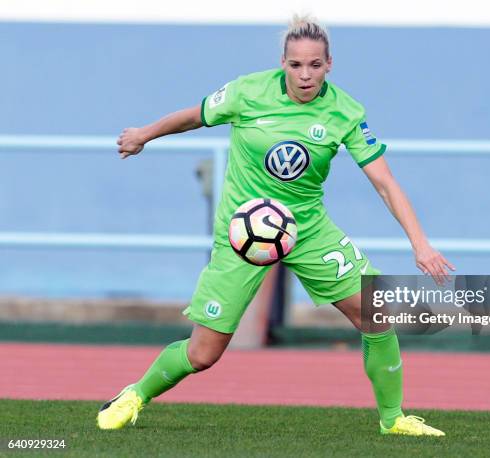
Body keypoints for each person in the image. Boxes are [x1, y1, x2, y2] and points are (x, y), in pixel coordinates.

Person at [97, 16, 455, 436]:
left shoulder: (345, 112)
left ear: (329, 65)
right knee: (203, 354)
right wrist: (144, 134)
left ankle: (394, 420)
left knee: (376, 313)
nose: (305, 75)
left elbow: (385, 182)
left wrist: (421, 245)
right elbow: (193, 116)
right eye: (296, 65)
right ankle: (136, 394)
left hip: (307, 229)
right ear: (282, 63)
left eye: (315, 65)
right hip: (244, 235)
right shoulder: (248, 92)